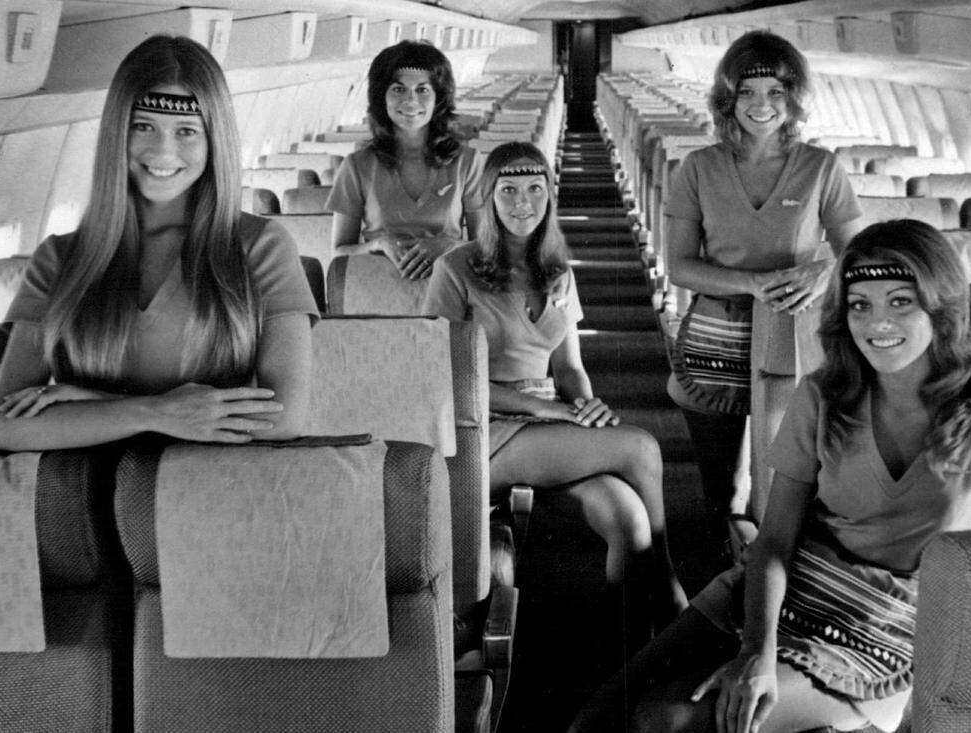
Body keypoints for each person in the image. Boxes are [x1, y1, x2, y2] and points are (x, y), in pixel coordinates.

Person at [570, 218, 971, 733]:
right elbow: (776, 540)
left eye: (900, 302)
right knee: (599, 715)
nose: (876, 323)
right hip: (796, 585)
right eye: (859, 304)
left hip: (899, 623)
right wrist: (758, 650)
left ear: (942, 306)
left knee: (667, 720)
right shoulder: (823, 395)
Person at [0, 35, 318, 451]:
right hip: (77, 502)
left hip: (206, 492)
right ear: (116, 134)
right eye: (143, 127)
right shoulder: (58, 259)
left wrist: (101, 406)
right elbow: (6, 427)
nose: (164, 151)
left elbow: (284, 417)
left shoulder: (260, 247)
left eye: (186, 131)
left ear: (214, 143)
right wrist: (154, 412)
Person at [423, 141, 688, 630]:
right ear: (486, 197)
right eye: (508, 191)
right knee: (640, 448)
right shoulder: (455, 269)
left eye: (534, 190)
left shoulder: (558, 272)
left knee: (627, 519)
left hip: (550, 425)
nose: (523, 204)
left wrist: (586, 406)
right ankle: (670, 588)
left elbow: (567, 367)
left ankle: (626, 650)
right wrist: (546, 411)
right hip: (482, 427)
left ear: (549, 197)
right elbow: (443, 374)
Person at [664, 30, 863, 542]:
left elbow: (857, 256)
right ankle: (721, 569)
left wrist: (822, 270)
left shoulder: (821, 168)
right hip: (717, 335)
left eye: (776, 92)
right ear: (728, 100)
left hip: (798, 337)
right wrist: (751, 282)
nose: (761, 106)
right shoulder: (698, 169)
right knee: (720, 485)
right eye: (748, 93)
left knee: (789, 480)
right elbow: (680, 266)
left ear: (793, 99)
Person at [326, 40, 483, 280]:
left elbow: (485, 248)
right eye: (399, 89)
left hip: (449, 285)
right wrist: (378, 244)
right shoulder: (356, 166)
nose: (411, 101)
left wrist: (449, 245)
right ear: (382, 98)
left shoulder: (467, 163)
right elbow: (339, 253)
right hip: (376, 286)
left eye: (422, 90)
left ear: (438, 98)